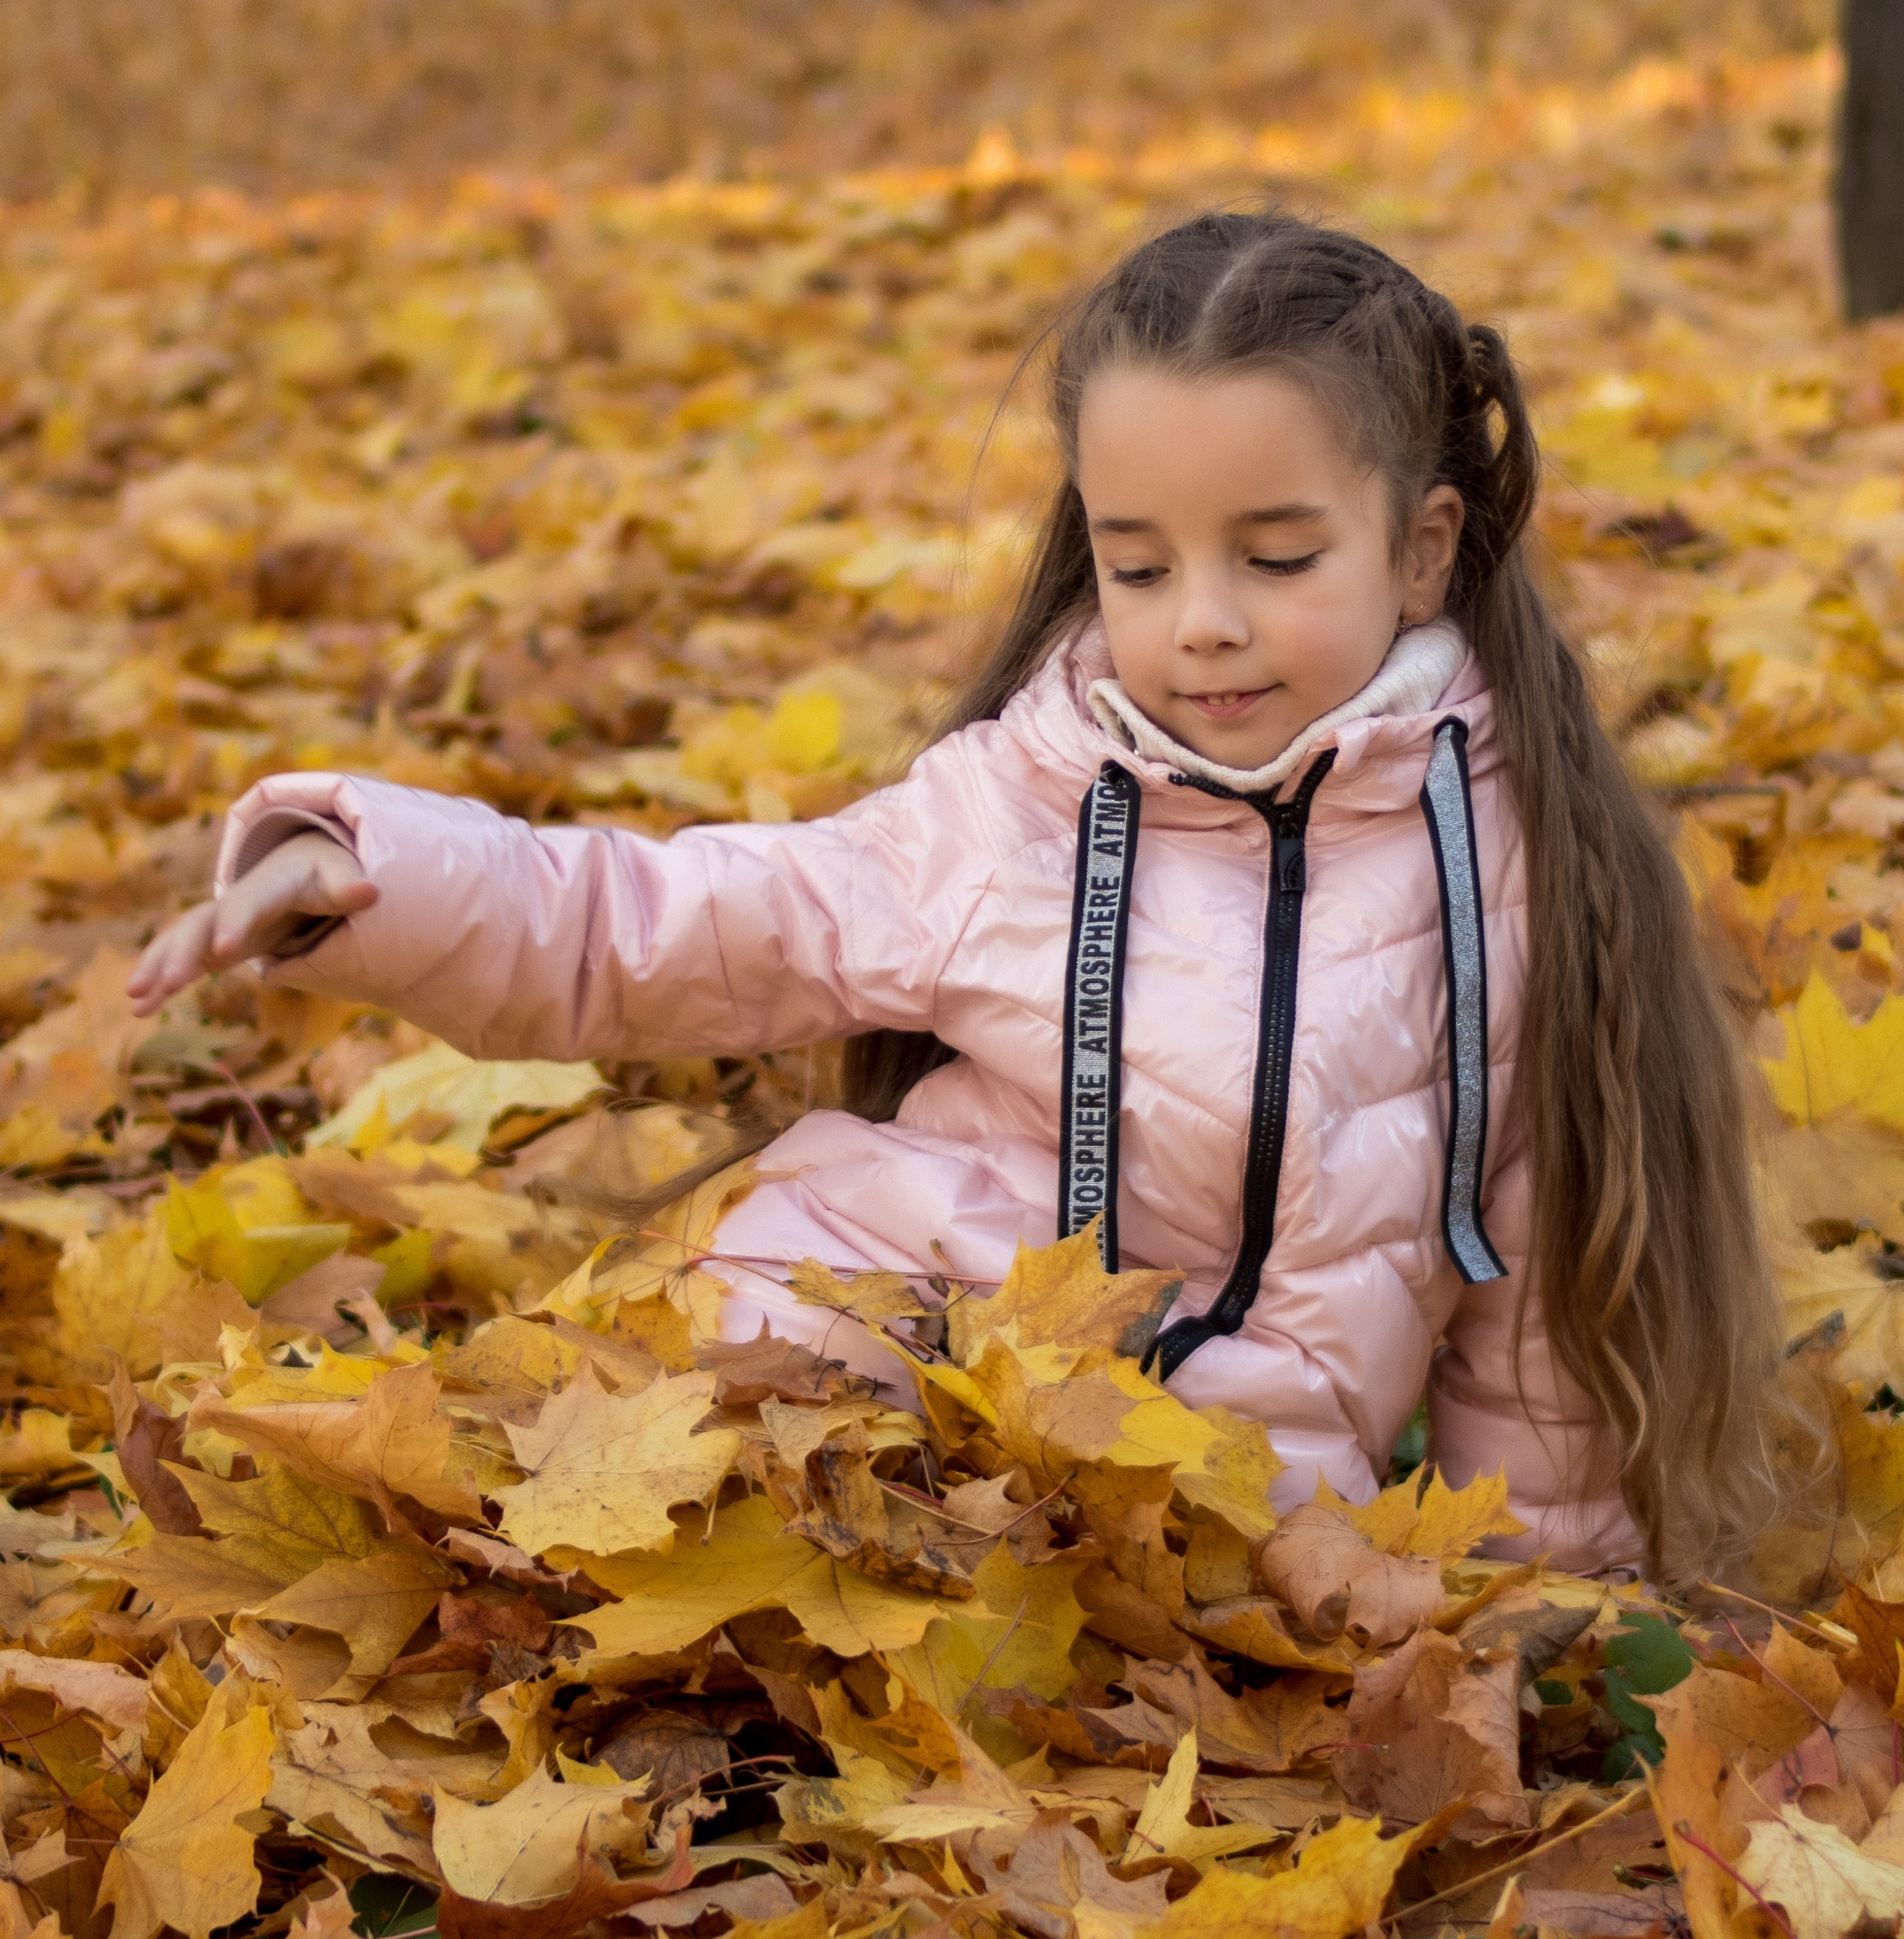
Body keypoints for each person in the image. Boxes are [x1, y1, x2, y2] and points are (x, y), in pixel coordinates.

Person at [129, 213, 1780, 1580]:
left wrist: (1521, 1606)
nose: (1196, 621)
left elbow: (1535, 1301)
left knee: (1252, 1628)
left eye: (1272, 559)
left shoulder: (1508, 873)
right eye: (1136, 564)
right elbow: (671, 925)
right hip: (876, 1343)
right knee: (741, 1526)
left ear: (1420, 550)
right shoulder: (1017, 805)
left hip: (1233, 1503)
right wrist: (373, 882)